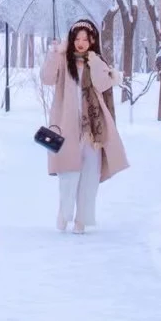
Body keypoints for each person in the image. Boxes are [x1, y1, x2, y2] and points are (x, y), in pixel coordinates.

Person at [41, 19, 128, 232]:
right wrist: (55, 53)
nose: (80, 43)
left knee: (90, 175)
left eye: (85, 39)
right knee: (68, 173)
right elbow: (46, 78)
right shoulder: (63, 59)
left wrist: (94, 60)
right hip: (66, 125)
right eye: (77, 39)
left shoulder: (96, 61)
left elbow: (104, 83)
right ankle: (64, 214)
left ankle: (82, 219)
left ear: (92, 40)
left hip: (93, 129)